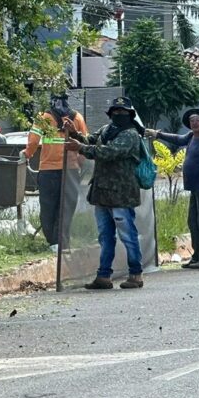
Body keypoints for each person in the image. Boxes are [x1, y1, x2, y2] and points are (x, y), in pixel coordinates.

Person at [64, 96, 145, 290]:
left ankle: (136, 274)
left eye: (123, 112)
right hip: (102, 192)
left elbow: (107, 152)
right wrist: (75, 134)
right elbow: (90, 140)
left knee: (128, 235)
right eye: (115, 111)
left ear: (130, 115)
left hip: (121, 194)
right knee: (104, 236)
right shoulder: (106, 130)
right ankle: (103, 276)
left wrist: (81, 147)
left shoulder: (131, 134)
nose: (118, 115)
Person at [146, 108, 199, 269]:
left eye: (198, 120)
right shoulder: (191, 137)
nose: (194, 123)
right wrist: (158, 134)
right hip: (195, 187)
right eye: (192, 120)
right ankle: (197, 255)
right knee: (193, 221)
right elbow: (178, 139)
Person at [25, 94, 89, 252]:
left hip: (48, 170)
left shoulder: (43, 117)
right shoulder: (77, 117)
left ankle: (53, 243)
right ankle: (63, 242)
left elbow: (33, 141)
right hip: (71, 170)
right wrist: (83, 167)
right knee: (66, 208)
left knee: (48, 207)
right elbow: (85, 144)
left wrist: (27, 154)